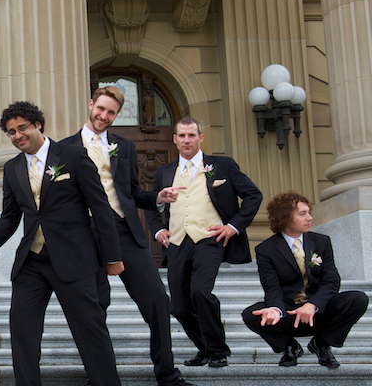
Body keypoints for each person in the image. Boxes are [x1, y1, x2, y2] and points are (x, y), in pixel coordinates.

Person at [0, 102, 128, 386]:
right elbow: (10, 218)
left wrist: (113, 257)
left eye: (22, 128)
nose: (17, 135)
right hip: (32, 263)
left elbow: (100, 207)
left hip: (75, 259)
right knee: (23, 331)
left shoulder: (72, 156)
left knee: (89, 327)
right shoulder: (13, 168)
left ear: (38, 125)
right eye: (11, 132)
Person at [60, 86, 198, 386]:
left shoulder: (124, 146)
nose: (104, 116)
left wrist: (157, 197)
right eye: (101, 109)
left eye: (111, 113)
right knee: (93, 309)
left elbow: (132, 192)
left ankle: (166, 373)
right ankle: (98, 375)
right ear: (91, 104)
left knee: (158, 302)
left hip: (124, 231)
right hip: (85, 236)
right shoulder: (63, 149)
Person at [146, 117, 262, 368]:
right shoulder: (164, 172)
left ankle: (218, 350)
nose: (186, 140)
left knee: (200, 291)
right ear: (174, 140)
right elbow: (153, 207)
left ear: (201, 138)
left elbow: (253, 195)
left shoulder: (222, 165)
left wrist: (233, 226)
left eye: (191, 135)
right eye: (181, 136)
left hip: (209, 239)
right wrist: (158, 231)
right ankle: (205, 348)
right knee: (178, 306)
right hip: (176, 242)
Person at [244, 192, 367, 368]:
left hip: (318, 311)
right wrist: (276, 310)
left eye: (309, 212)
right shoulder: (266, 250)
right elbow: (272, 287)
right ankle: (289, 347)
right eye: (302, 214)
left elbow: (331, 281)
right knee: (252, 314)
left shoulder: (322, 242)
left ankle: (322, 343)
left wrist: (313, 304)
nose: (309, 218)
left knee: (358, 299)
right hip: (289, 313)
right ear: (284, 217)